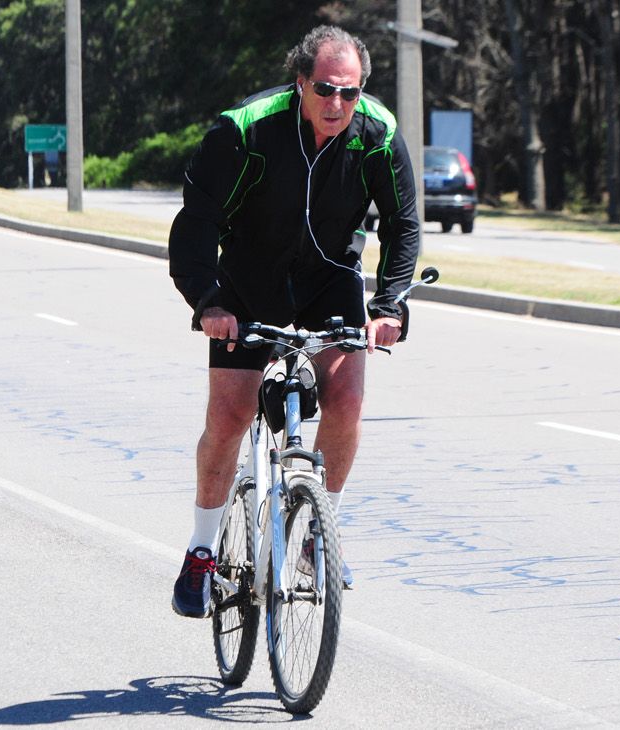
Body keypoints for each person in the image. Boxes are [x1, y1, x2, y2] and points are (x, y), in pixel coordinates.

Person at [167, 26, 421, 617]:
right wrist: (208, 300)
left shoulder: (378, 134)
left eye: (350, 93)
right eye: (326, 89)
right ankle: (202, 550)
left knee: (349, 396)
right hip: (247, 286)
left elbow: (403, 222)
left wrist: (389, 305)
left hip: (329, 280)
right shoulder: (246, 128)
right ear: (301, 82)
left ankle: (315, 532)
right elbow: (197, 220)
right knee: (229, 414)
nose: (338, 104)